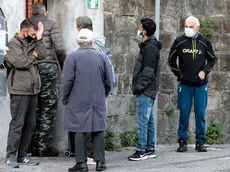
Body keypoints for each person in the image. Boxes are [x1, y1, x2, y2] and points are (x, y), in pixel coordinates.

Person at [62, 28, 113, 172]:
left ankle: (81, 163)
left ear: (78, 41)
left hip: (77, 98)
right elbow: (109, 81)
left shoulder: (72, 57)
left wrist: (65, 97)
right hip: (97, 98)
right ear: (91, 41)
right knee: (98, 129)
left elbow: (67, 81)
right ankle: (100, 162)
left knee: (80, 129)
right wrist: (103, 94)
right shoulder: (102, 57)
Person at [168, 16, 217, 152]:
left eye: (190, 27)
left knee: (200, 113)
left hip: (201, 85)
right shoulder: (179, 42)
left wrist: (205, 71)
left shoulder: (205, 42)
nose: (187, 29)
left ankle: (200, 142)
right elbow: (171, 60)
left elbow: (212, 59)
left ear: (197, 28)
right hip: (185, 85)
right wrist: (180, 74)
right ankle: (182, 141)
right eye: (186, 26)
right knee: (184, 112)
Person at [4, 19, 46, 168]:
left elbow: (43, 54)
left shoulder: (32, 42)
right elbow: (20, 63)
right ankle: (10, 156)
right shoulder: (13, 44)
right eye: (33, 34)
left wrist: (40, 37)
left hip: (33, 88)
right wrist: (33, 57)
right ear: (24, 30)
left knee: (30, 124)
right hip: (19, 88)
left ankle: (22, 155)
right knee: (18, 123)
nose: (34, 37)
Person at [30, 3, 67, 157]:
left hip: (31, 68)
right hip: (48, 67)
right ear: (44, 13)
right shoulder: (51, 25)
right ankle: (42, 147)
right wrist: (64, 66)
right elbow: (59, 48)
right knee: (48, 106)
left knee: (33, 106)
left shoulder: (26, 24)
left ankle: (29, 145)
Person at [128, 18, 162, 161]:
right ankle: (149, 148)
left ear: (144, 31)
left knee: (143, 119)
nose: (138, 30)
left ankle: (141, 149)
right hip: (149, 88)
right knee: (149, 120)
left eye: (140, 28)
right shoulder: (149, 46)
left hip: (146, 89)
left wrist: (138, 87)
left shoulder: (149, 48)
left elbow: (148, 71)